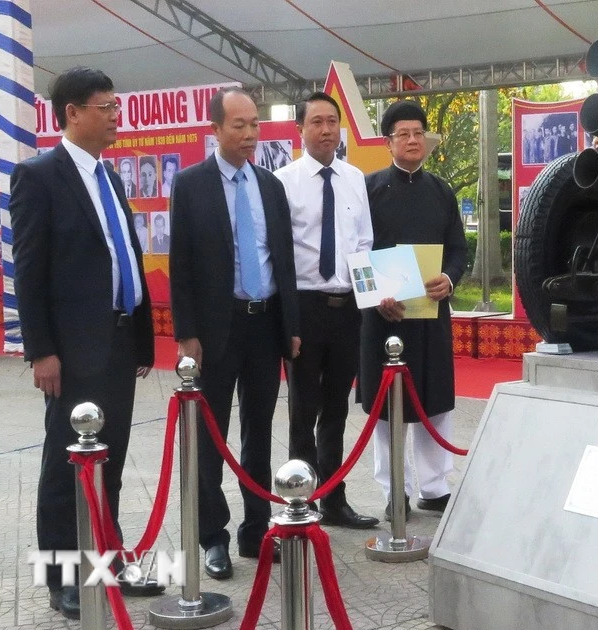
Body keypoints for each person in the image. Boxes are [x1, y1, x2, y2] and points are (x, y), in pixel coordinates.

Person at [9, 66, 160, 621]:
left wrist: (141, 337)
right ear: (72, 112)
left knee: (110, 459)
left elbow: (122, 257)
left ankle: (106, 562)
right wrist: (42, 350)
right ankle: (62, 577)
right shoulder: (39, 177)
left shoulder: (108, 176)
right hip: (71, 351)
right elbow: (30, 271)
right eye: (107, 106)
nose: (116, 115)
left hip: (118, 341)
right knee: (64, 465)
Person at [169, 87, 301, 580]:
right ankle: (213, 537)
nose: (249, 134)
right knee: (210, 435)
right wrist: (187, 334)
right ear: (216, 129)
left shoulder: (270, 186)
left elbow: (282, 261)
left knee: (259, 433)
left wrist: (291, 327)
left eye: (255, 124)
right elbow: (181, 264)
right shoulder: (191, 185)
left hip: (265, 324)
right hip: (215, 329)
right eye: (238, 125)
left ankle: (256, 529)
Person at [274, 92, 379, 529]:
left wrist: (370, 303)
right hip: (304, 306)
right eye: (316, 122)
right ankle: (302, 498)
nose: (326, 130)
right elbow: (279, 253)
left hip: (346, 308)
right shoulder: (282, 181)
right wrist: (287, 319)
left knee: (337, 407)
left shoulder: (355, 178)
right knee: (305, 407)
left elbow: (364, 244)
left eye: (332, 121)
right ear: (301, 129)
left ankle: (334, 498)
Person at [359, 100, 467, 519]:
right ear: (388, 143)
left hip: (431, 312)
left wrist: (450, 279)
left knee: (435, 400)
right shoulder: (368, 190)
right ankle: (394, 490)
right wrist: (376, 296)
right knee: (388, 406)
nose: (411, 140)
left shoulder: (442, 192)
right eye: (403, 134)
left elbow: (459, 250)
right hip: (384, 315)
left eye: (418, 133)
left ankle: (435, 486)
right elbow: (357, 250)